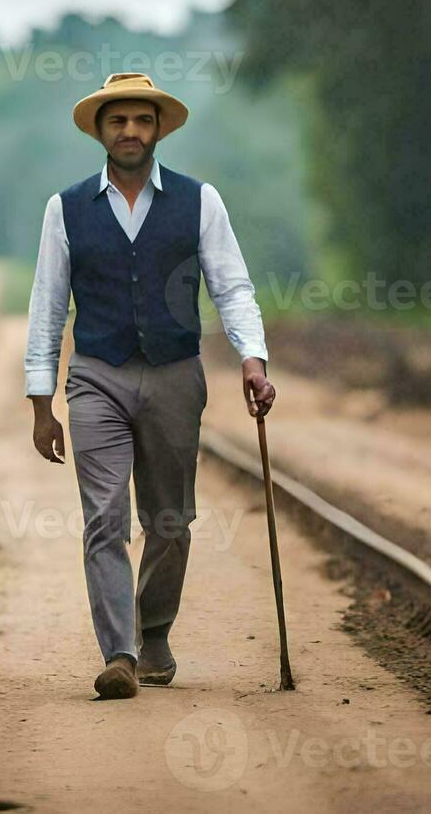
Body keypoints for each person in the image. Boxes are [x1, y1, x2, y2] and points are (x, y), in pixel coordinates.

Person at [24, 72, 276, 700]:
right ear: (100, 132)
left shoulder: (199, 201)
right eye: (118, 122)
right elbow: (47, 307)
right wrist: (40, 400)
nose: (130, 131)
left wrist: (253, 358)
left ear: (158, 128)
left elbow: (232, 286)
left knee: (169, 519)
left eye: (141, 120)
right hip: (96, 377)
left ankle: (155, 628)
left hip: (174, 374)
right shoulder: (66, 208)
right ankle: (120, 653)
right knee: (104, 518)